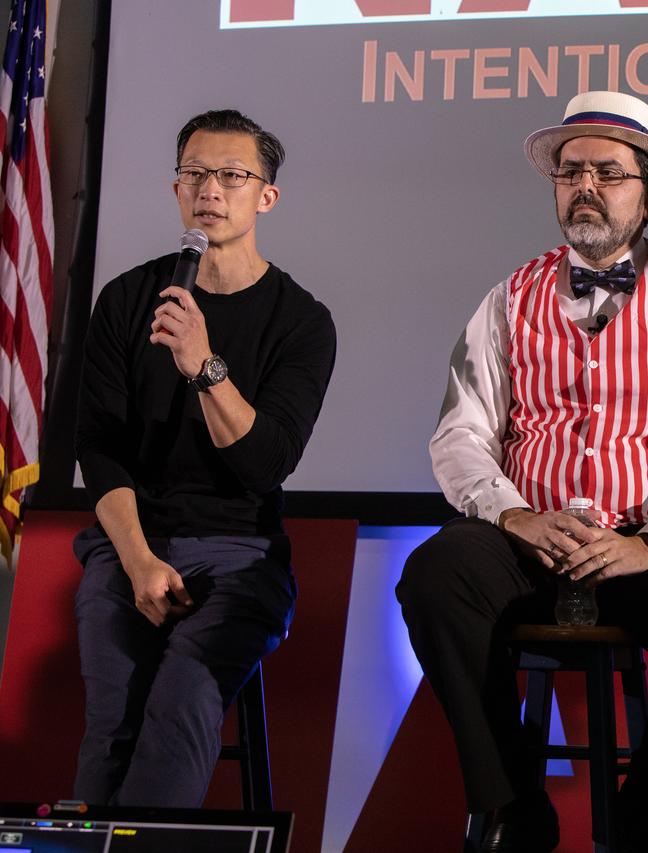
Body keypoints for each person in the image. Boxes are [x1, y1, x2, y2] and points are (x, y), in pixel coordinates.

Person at [397, 90, 648, 852]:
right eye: (570, 173)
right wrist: (514, 516)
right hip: (525, 539)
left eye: (608, 172)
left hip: (645, 545)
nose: (585, 187)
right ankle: (513, 806)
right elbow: (461, 433)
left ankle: (642, 816)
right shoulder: (509, 296)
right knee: (434, 577)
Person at [72, 109, 337, 807]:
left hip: (240, 552)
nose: (210, 190)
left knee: (182, 698)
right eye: (195, 173)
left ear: (266, 196)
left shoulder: (302, 321)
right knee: (112, 721)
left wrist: (204, 365)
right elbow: (99, 447)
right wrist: (137, 561)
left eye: (231, 175)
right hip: (131, 542)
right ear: (176, 189)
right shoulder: (128, 298)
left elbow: (265, 464)